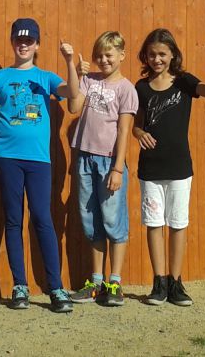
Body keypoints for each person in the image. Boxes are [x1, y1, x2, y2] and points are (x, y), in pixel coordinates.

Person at [0, 18, 80, 314]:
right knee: (13, 220)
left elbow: (72, 93)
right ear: (12, 42)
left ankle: (56, 287)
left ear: (37, 45)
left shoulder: (45, 77)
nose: (23, 45)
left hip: (39, 160)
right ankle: (19, 286)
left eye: (29, 41)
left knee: (42, 218)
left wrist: (70, 61)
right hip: (6, 158)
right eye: (19, 40)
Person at [132, 28, 205, 307]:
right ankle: (158, 283)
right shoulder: (141, 87)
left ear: (173, 54)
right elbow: (136, 124)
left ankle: (175, 283)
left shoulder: (184, 82)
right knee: (154, 224)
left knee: (178, 224)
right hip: (150, 169)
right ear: (145, 56)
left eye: (162, 54)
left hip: (180, 168)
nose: (157, 59)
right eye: (152, 54)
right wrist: (139, 133)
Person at [66, 31, 138, 307]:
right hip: (85, 158)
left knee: (113, 220)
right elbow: (73, 106)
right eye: (100, 55)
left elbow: (124, 129)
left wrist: (118, 169)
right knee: (91, 221)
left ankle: (115, 282)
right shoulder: (89, 80)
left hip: (110, 162)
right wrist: (76, 72)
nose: (104, 60)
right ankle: (96, 282)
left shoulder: (126, 89)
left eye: (109, 55)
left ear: (122, 55)